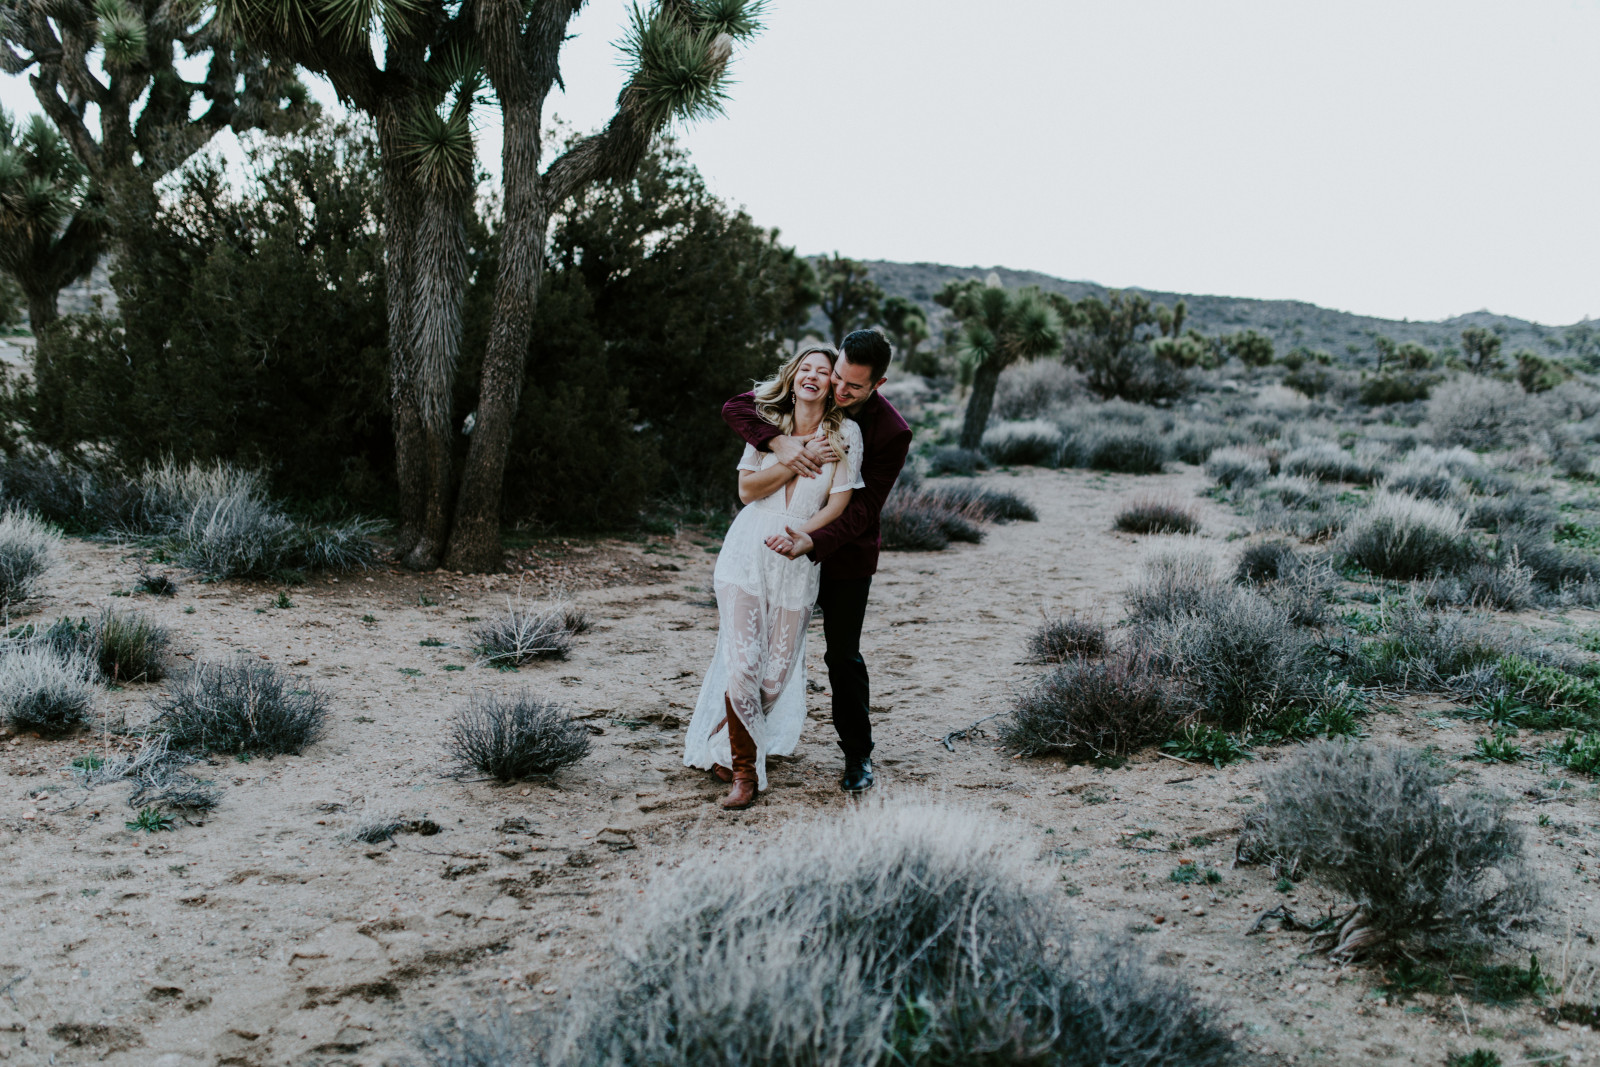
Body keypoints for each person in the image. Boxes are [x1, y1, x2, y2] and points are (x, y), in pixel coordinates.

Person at [721, 329, 911, 794]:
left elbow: (863, 511)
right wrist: (779, 443)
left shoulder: (890, 431)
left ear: (877, 386)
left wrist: (811, 540)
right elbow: (737, 407)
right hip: (774, 546)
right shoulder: (811, 386)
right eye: (838, 378)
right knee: (749, 656)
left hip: (842, 553)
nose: (839, 392)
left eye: (853, 388)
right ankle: (738, 751)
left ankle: (857, 756)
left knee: (842, 656)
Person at [683, 344, 866, 809]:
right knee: (743, 666)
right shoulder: (769, 429)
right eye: (805, 367)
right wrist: (791, 453)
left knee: (772, 681)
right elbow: (747, 491)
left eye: (822, 371)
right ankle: (744, 775)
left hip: (797, 562)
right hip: (746, 555)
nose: (812, 375)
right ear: (793, 377)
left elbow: (839, 503)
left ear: (833, 385)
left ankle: (724, 741)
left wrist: (800, 535)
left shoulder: (847, 433)